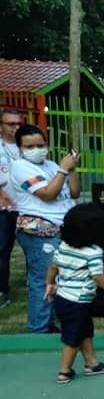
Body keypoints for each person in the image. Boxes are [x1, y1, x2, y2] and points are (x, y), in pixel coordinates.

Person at [9, 124, 81, 333]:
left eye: (40, 145)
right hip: (39, 232)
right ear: (20, 148)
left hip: (61, 228)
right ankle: (38, 328)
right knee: (43, 279)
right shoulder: (20, 167)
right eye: (30, 146)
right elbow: (48, 194)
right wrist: (62, 169)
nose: (37, 149)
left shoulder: (50, 165)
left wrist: (72, 168)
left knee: (56, 278)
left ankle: (48, 323)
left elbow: (75, 192)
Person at [43, 203, 104, 384]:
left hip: (63, 299)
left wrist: (49, 283)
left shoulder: (63, 246)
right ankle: (64, 371)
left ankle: (92, 363)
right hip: (76, 303)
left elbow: (53, 266)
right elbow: (99, 277)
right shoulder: (93, 253)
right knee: (73, 337)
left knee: (85, 329)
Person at [0, 108, 22, 309]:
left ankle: (40, 286)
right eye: (11, 124)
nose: (15, 127)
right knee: (2, 249)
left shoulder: (26, 145)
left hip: (27, 207)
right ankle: (2, 290)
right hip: (4, 209)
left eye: (18, 124)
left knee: (34, 249)